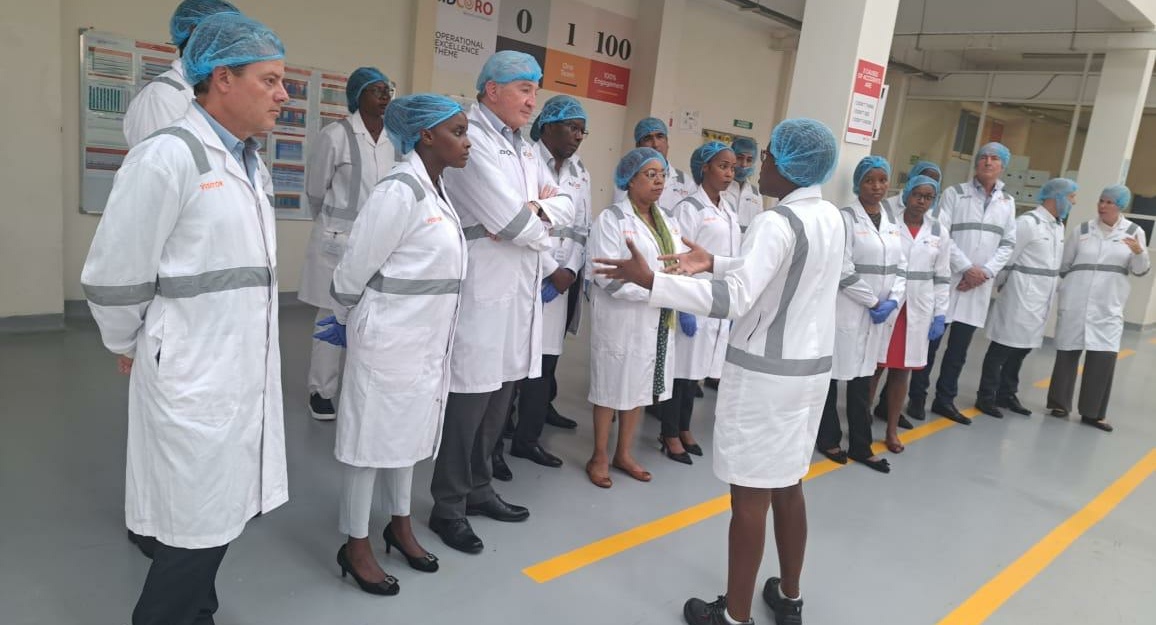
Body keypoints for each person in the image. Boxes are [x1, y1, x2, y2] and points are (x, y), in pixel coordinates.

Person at [80, 14, 288, 625]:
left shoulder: (251, 164)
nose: (283, 94)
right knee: (194, 525)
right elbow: (114, 275)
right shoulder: (167, 156)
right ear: (222, 79)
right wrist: (132, 344)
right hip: (193, 370)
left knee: (217, 513)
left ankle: (198, 611)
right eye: (270, 80)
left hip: (238, 367)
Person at [595, 118, 843, 625]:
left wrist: (652, 281)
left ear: (790, 166)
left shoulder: (777, 221)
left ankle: (734, 616)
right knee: (788, 484)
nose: (759, 166)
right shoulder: (829, 217)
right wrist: (715, 262)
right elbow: (779, 273)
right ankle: (789, 597)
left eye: (769, 157)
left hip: (766, 378)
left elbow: (735, 300)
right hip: (808, 376)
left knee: (749, 496)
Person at [312, 94, 470, 595]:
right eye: (458, 132)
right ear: (426, 135)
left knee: (407, 436)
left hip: (423, 341)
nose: (467, 142)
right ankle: (355, 542)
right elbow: (354, 266)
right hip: (388, 338)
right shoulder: (398, 190)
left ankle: (399, 526)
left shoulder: (435, 190)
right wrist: (341, 317)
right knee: (368, 443)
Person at [429, 51, 574, 554]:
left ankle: (479, 487)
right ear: (492, 90)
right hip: (483, 287)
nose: (533, 101)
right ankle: (448, 506)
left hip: (517, 289)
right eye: (524, 90)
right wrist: (532, 218)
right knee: (470, 399)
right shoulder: (470, 138)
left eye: (535, 90)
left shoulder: (523, 147)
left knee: (500, 397)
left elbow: (564, 203)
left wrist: (533, 213)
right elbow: (513, 223)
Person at [299, 67, 397, 420]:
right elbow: (315, 190)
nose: (384, 96)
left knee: (371, 315)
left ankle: (361, 389)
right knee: (331, 313)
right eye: (376, 90)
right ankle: (321, 390)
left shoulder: (394, 139)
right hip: (338, 240)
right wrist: (333, 226)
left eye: (387, 90)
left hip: (380, 241)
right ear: (357, 96)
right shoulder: (335, 135)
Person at [586, 148, 688, 486]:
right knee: (610, 388)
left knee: (639, 387)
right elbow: (605, 276)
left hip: (657, 320)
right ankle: (599, 455)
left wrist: (670, 287)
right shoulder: (612, 219)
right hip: (622, 319)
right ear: (630, 180)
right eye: (650, 174)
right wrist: (658, 290)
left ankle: (624, 453)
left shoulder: (668, 221)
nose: (659, 181)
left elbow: (678, 264)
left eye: (662, 175)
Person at [510, 95, 592, 469]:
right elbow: (519, 222)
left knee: (545, 362)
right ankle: (499, 436)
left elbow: (580, 228)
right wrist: (549, 269)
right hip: (527, 271)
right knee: (513, 363)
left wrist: (569, 272)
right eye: (572, 127)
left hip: (560, 282)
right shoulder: (523, 159)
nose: (578, 136)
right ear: (548, 125)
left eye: (582, 130)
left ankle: (527, 439)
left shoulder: (580, 172)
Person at [909, 142, 1016, 425]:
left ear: (1002, 165)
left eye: (994, 158)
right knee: (930, 346)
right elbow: (942, 235)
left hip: (977, 287)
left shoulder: (1007, 202)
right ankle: (917, 398)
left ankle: (945, 400)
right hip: (951, 280)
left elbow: (1008, 243)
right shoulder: (954, 194)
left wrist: (985, 272)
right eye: (983, 157)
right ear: (976, 163)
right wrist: (967, 269)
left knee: (958, 351)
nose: (988, 162)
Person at [816, 156, 906, 474]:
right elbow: (842, 267)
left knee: (862, 380)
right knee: (833, 377)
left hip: (877, 316)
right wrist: (871, 302)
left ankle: (861, 446)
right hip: (849, 309)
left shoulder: (892, 221)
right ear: (858, 184)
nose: (877, 186)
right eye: (870, 180)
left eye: (882, 180)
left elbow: (902, 266)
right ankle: (828, 439)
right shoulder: (845, 218)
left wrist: (892, 301)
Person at [658, 141, 740, 465]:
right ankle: (669, 433)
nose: (729, 173)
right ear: (705, 167)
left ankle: (684, 427)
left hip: (717, 302)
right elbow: (676, 257)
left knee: (696, 372)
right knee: (680, 370)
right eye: (723, 166)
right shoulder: (689, 208)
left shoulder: (729, 210)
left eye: (732, 168)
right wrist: (682, 307)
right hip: (692, 299)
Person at [1047, 184, 1150, 432]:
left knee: (1102, 357)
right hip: (1076, 301)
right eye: (1101, 201)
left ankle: (1093, 413)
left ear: (1120, 206)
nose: (1102, 206)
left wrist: (1139, 253)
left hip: (1108, 305)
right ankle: (1059, 404)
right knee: (1067, 353)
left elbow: (1140, 270)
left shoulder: (1134, 232)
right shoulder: (1082, 230)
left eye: (1109, 202)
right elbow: (1065, 264)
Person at [976, 178, 1075, 418]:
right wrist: (1000, 284)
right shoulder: (1027, 223)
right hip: (1019, 294)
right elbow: (1007, 258)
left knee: (1022, 349)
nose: (1074, 202)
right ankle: (986, 396)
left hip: (1040, 298)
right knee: (1002, 348)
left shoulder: (1057, 226)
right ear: (1057, 196)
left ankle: (1007, 393)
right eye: (1071, 197)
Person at [871, 175, 949, 453]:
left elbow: (942, 277)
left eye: (928, 197)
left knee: (902, 371)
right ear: (907, 195)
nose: (921, 201)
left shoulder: (939, 231)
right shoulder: (890, 224)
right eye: (917, 195)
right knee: (874, 368)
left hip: (918, 308)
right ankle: (862, 423)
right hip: (890, 303)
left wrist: (940, 315)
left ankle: (891, 430)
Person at [122, 0, 241, 147]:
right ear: (194, 32)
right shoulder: (163, 95)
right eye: (223, 35)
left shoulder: (211, 91)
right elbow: (165, 158)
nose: (232, 45)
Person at [613, 117, 697, 212]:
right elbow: (621, 212)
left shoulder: (686, 182)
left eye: (660, 136)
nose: (655, 144)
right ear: (638, 147)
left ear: (667, 143)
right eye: (648, 138)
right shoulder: (629, 178)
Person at [725, 136, 766, 233]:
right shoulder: (719, 187)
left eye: (749, 160)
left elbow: (757, 227)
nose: (744, 164)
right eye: (740, 158)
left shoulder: (756, 194)